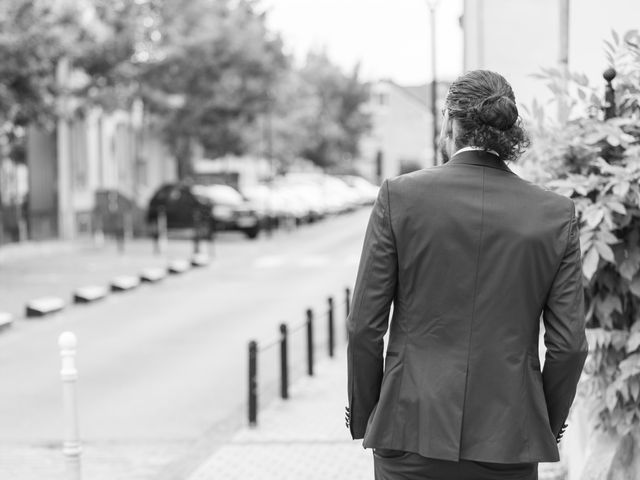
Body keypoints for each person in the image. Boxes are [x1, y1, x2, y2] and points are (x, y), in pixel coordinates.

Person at [345, 70, 588, 480]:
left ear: (449, 124)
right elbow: (569, 347)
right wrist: (541, 425)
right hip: (508, 441)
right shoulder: (554, 214)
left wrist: (371, 414)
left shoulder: (399, 197)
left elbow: (364, 328)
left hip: (408, 431)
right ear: (508, 130)